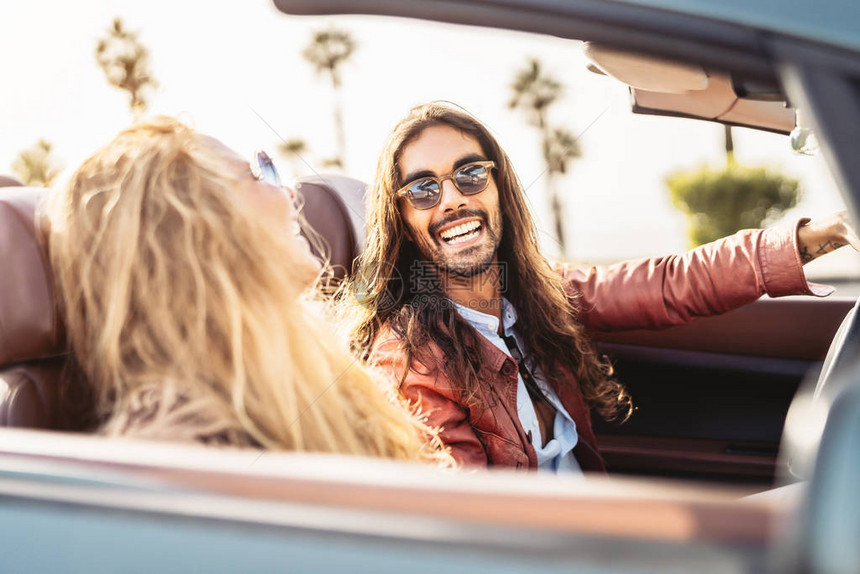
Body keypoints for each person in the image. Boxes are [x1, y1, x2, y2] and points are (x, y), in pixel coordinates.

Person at [340, 102, 858, 473]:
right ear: (403, 220)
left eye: (471, 174)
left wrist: (826, 233)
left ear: (499, 190)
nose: (452, 199)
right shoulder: (411, 363)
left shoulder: (540, 295)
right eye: (424, 188)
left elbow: (671, 283)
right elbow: (472, 523)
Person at [48, 116, 450, 465]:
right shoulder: (171, 447)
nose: (291, 193)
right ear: (195, 230)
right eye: (260, 174)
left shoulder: (312, 371)